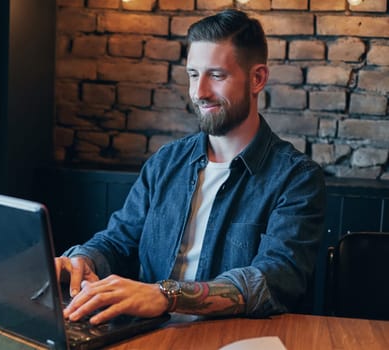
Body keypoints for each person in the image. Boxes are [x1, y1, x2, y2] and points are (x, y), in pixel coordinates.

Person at [55, 8, 326, 325]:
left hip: (230, 341)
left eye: (217, 75)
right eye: (193, 75)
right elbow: (117, 242)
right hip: (148, 337)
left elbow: (273, 279)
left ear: (257, 78)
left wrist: (165, 295)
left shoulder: (296, 178)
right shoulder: (166, 162)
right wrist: (83, 260)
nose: (199, 93)